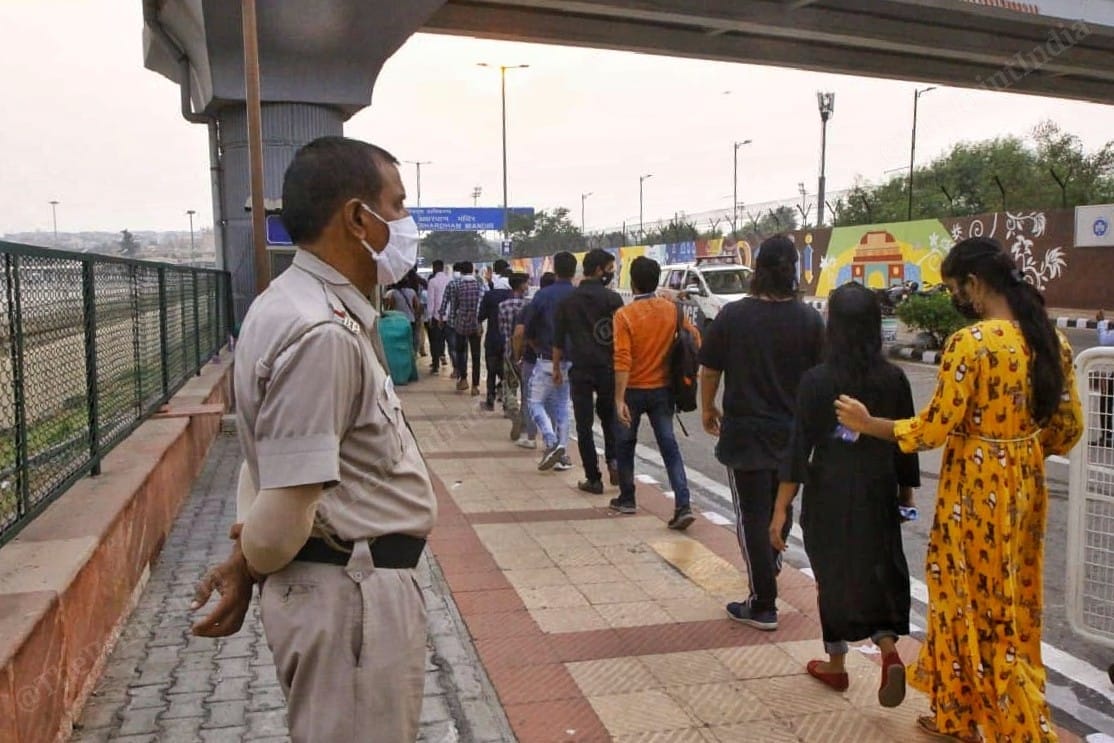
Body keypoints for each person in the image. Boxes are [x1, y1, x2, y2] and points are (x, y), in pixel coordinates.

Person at [189, 136, 436, 742]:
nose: (406, 223)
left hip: (341, 587)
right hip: (353, 601)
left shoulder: (285, 305)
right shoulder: (323, 331)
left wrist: (249, 562)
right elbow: (283, 513)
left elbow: (267, 465)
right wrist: (255, 560)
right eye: (397, 206)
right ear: (358, 218)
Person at [835, 237, 1083, 742]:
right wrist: (1019, 450)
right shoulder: (1050, 340)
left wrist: (868, 422)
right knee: (1011, 605)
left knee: (965, 603)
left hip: (973, 491)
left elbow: (930, 430)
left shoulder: (971, 344)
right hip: (1024, 486)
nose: (957, 299)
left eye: (954, 289)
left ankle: (1019, 727)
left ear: (973, 284)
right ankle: (957, 715)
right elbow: (1069, 427)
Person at [768, 282, 920, 707]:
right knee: (878, 569)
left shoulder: (817, 380)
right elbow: (905, 440)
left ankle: (836, 664)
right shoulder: (894, 378)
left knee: (833, 574)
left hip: (829, 489)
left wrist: (780, 509)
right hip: (878, 486)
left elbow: (798, 448)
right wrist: (905, 494)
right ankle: (888, 651)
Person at [699, 235, 824, 630]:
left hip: (746, 432)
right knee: (779, 509)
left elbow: (710, 369)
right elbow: (822, 377)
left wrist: (707, 407)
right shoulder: (809, 319)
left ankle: (763, 603)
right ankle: (767, 563)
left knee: (752, 516)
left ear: (758, 270)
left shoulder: (734, 316)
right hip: (794, 434)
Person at [612, 256, 699, 530]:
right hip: (663, 391)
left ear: (633, 283)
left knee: (625, 444)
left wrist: (618, 398)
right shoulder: (672, 310)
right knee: (669, 447)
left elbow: (622, 358)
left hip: (633, 391)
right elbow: (695, 339)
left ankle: (627, 498)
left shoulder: (624, 315)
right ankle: (683, 504)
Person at [553, 248, 624, 494]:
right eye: (609, 269)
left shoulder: (568, 301)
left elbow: (559, 340)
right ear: (598, 270)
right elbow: (622, 337)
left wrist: (556, 369)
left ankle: (593, 478)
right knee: (610, 418)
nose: (611, 273)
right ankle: (614, 461)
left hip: (580, 369)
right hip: (608, 367)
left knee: (583, 425)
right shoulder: (613, 299)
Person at [525, 253, 577, 470]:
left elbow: (529, 328)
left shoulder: (542, 295)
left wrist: (536, 347)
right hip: (571, 361)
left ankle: (550, 439)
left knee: (534, 403)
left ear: (554, 269)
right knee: (562, 407)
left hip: (546, 358)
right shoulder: (578, 296)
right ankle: (562, 450)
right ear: (575, 271)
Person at [512, 272, 556, 450]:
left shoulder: (530, 307)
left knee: (531, 399)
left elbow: (518, 334)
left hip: (532, 360)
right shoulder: (562, 306)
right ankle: (552, 441)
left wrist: (517, 356)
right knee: (553, 401)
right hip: (556, 360)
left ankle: (531, 437)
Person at [440, 259, 484, 395]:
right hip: (475, 324)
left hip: (459, 323)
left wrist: (442, 316)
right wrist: (479, 321)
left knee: (461, 352)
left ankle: (463, 378)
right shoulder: (480, 285)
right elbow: (482, 305)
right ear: (471, 270)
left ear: (461, 271)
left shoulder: (455, 284)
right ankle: (475, 386)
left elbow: (447, 303)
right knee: (476, 355)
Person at [499, 273, 530, 440]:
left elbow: (502, 330)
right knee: (526, 388)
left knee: (510, 387)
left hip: (508, 350)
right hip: (525, 354)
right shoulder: (529, 305)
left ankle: (513, 411)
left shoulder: (502, 306)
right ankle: (524, 423)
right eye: (526, 284)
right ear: (521, 285)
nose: (527, 287)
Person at [479, 261, 513, 411]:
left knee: (491, 370)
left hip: (492, 338)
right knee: (509, 372)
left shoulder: (489, 295)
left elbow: (480, 316)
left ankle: (490, 401)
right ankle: (508, 403)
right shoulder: (513, 295)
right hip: (510, 341)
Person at [426, 259, 451, 373]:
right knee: (449, 341)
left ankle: (435, 365)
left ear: (434, 268)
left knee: (435, 341)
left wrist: (429, 316)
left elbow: (431, 300)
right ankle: (454, 366)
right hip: (449, 316)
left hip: (436, 317)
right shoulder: (449, 280)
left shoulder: (432, 281)